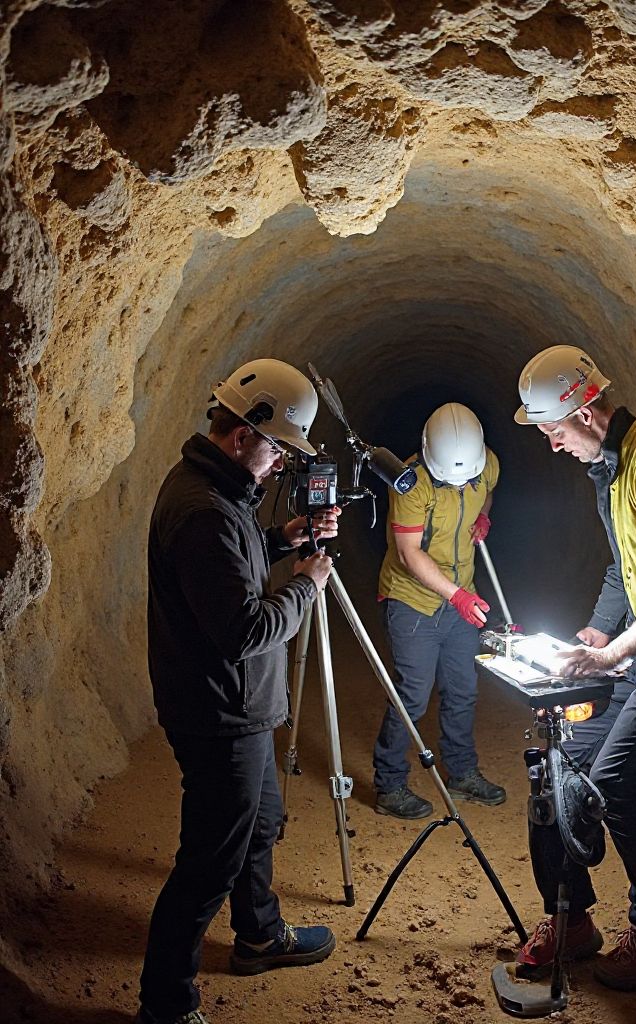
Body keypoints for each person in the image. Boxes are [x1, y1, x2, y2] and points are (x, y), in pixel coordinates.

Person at [139, 358, 341, 1024]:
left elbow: (234, 555)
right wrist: (307, 584)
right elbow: (241, 628)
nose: (283, 464)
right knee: (207, 864)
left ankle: (259, 934)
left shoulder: (217, 494)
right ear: (241, 436)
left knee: (258, 827)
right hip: (219, 712)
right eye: (280, 448)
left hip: (237, 708)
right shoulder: (202, 509)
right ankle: (166, 1004)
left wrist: (281, 540)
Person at [512, 345, 636, 991]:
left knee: (616, 781)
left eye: (553, 430)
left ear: (586, 411)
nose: (551, 445)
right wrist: (600, 628)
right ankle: (571, 918)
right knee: (565, 765)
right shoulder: (613, 469)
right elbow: (625, 566)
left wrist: (613, 653)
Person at [373, 402, 506, 818]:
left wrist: (483, 517)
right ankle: (389, 784)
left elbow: (488, 490)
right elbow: (410, 554)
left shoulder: (486, 466)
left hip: (460, 594)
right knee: (411, 695)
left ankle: (462, 772)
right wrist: (458, 597)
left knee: (462, 689)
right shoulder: (411, 484)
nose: (465, 480)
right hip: (415, 601)